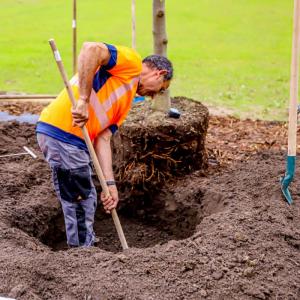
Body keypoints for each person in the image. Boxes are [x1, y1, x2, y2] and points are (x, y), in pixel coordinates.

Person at [36, 42, 173, 247]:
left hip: (74, 141)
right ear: (158, 73)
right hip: (63, 133)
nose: (153, 96)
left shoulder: (126, 101)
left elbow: (103, 138)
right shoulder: (132, 63)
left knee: (82, 193)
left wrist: (110, 185)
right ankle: (82, 252)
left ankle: (83, 244)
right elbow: (90, 49)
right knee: (80, 198)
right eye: (160, 89)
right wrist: (82, 100)